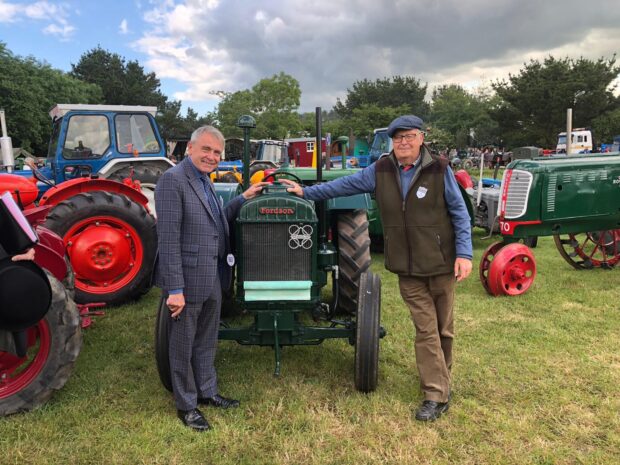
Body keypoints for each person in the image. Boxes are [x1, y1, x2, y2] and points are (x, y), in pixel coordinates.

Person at [281, 115, 473, 422]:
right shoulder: (381, 170)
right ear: (391, 142)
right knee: (426, 329)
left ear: (421, 138)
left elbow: (459, 213)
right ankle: (436, 394)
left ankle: (441, 376)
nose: (404, 143)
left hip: (440, 263)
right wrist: (307, 192)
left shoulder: (439, 169)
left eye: (409, 137)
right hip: (407, 267)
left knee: (443, 329)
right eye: (398, 139)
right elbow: (344, 185)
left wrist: (464, 253)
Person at [154, 125, 267, 432]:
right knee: (182, 343)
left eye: (217, 152)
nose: (212, 156)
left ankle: (207, 391)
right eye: (206, 149)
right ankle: (186, 406)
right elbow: (168, 239)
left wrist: (242, 197)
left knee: (206, 339)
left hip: (212, 275)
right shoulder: (172, 181)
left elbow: (216, 219)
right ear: (189, 149)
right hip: (188, 280)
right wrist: (174, 289)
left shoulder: (204, 181)